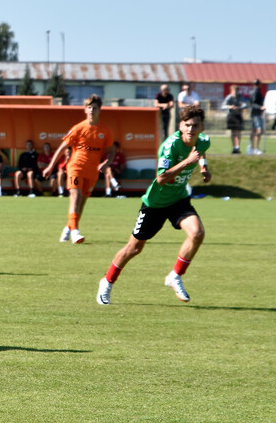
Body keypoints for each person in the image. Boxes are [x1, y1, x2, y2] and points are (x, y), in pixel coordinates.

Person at [96, 104, 211, 305]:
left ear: (202, 127)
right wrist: (187, 162)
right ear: (181, 126)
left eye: (195, 125)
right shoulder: (170, 146)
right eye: (187, 125)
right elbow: (161, 178)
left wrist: (203, 167)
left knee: (197, 234)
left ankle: (175, 276)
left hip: (178, 199)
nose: (191, 129)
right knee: (134, 248)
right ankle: (106, 282)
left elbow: (201, 151)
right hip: (155, 203)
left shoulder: (203, 142)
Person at [42, 94, 115, 244]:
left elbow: (112, 151)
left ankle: (69, 228)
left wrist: (106, 163)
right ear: (85, 110)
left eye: (94, 108)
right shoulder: (78, 128)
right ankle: (75, 232)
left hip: (92, 171)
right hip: (76, 167)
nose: (91, 110)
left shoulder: (106, 130)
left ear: (99, 110)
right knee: (75, 197)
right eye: (89, 108)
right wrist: (51, 166)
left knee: (82, 202)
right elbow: (63, 147)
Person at [222, 85, 246, 154]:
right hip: (231, 116)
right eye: (234, 91)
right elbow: (223, 106)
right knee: (233, 132)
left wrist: (239, 107)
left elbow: (245, 105)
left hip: (238, 116)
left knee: (238, 132)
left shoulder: (240, 97)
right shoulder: (229, 97)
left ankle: (237, 147)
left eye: (236, 91)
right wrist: (230, 106)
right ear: (231, 91)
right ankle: (234, 147)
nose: (235, 92)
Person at [249, 79, 266, 155]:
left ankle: (251, 148)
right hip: (256, 114)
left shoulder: (257, 92)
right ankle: (255, 148)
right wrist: (260, 107)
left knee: (254, 131)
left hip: (257, 114)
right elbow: (253, 104)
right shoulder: (256, 92)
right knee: (259, 131)